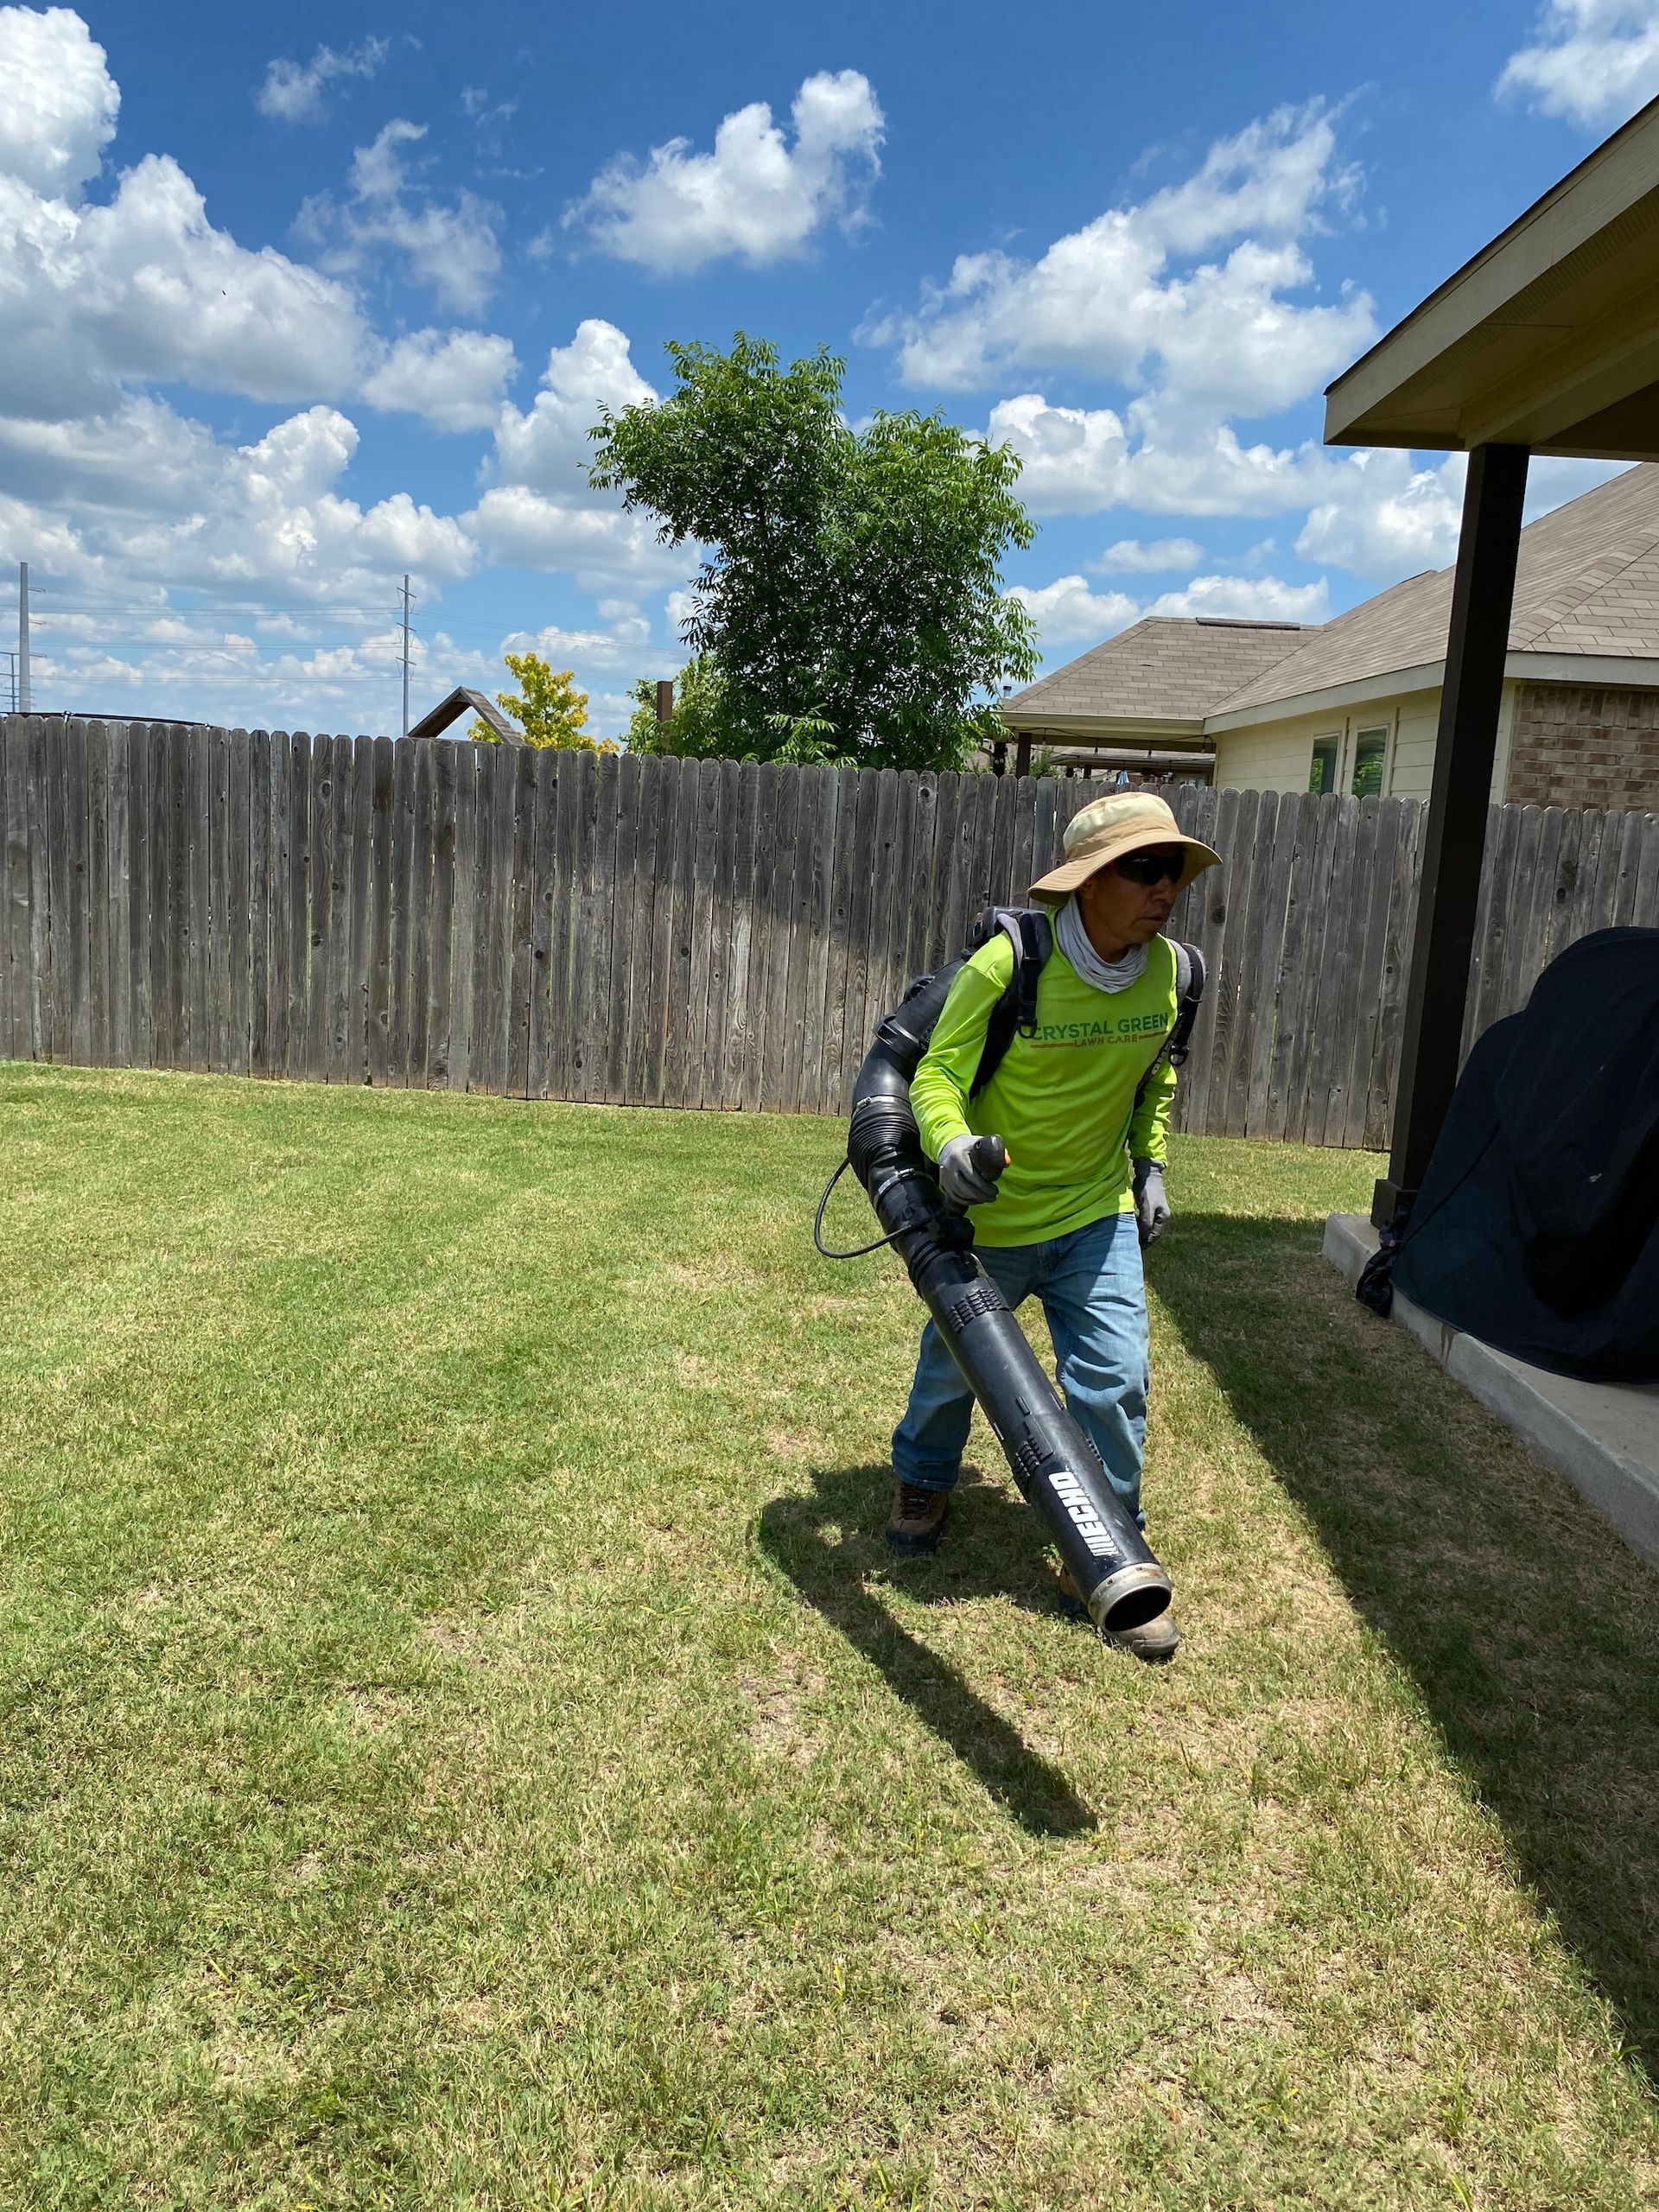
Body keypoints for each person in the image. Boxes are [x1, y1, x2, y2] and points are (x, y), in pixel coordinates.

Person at [886, 788, 1221, 1661]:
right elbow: (935, 1075)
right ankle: (923, 1479)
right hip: (993, 1219)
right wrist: (951, 1147)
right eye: (1143, 869)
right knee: (957, 1370)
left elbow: (1155, 1079)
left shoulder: (1171, 974)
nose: (1165, 888)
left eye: (1173, 870)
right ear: (1086, 883)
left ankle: (1109, 1548)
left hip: (1093, 1212)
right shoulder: (1010, 964)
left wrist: (1147, 1164)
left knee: (1113, 1380)